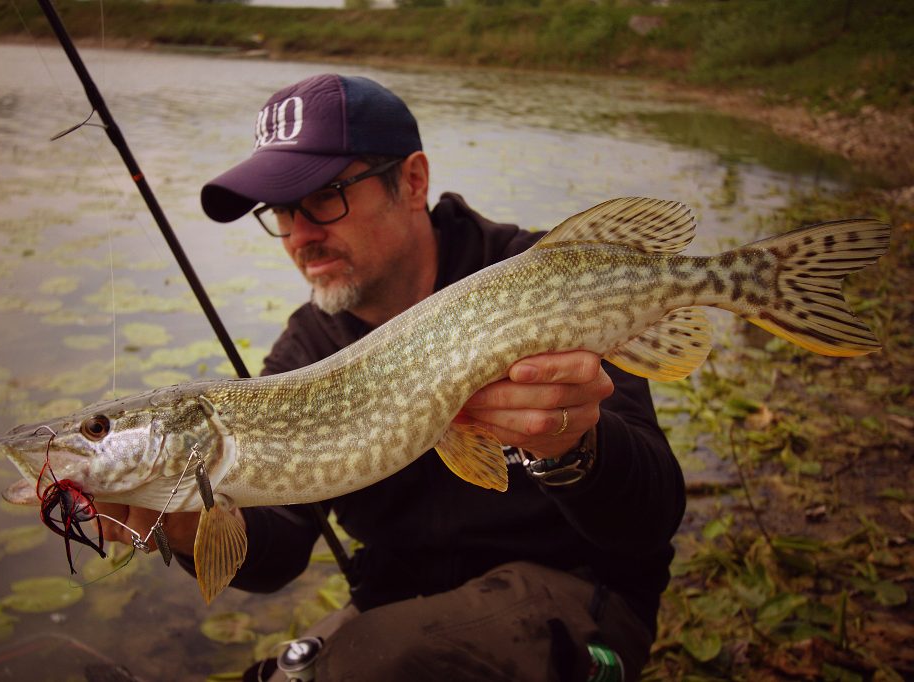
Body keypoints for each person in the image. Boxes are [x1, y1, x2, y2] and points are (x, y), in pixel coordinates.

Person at [98, 74, 685, 681]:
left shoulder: (540, 286)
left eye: (324, 196)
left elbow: (650, 521)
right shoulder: (307, 351)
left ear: (412, 181)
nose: (300, 235)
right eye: (280, 211)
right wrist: (188, 521)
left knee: (365, 666)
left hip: (579, 593)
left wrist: (575, 448)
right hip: (402, 602)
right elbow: (282, 546)